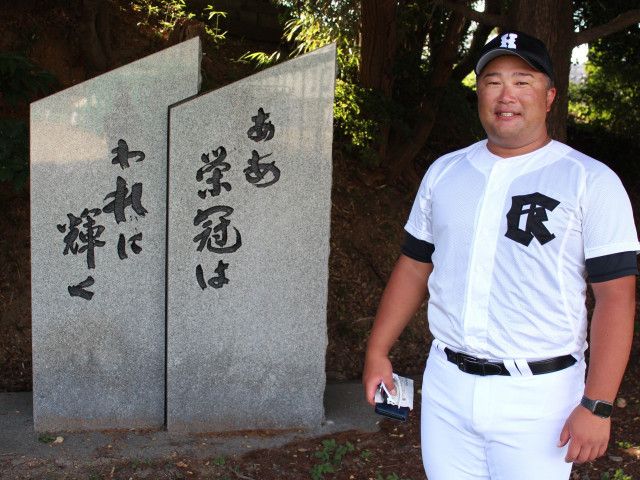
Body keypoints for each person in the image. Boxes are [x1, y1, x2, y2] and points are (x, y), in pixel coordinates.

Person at [362, 30, 639, 480]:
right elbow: (414, 265)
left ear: (550, 96)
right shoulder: (445, 172)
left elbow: (616, 297)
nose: (505, 94)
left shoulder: (590, 180)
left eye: (522, 81)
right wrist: (377, 350)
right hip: (448, 385)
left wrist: (598, 404)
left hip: (540, 397)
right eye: (492, 81)